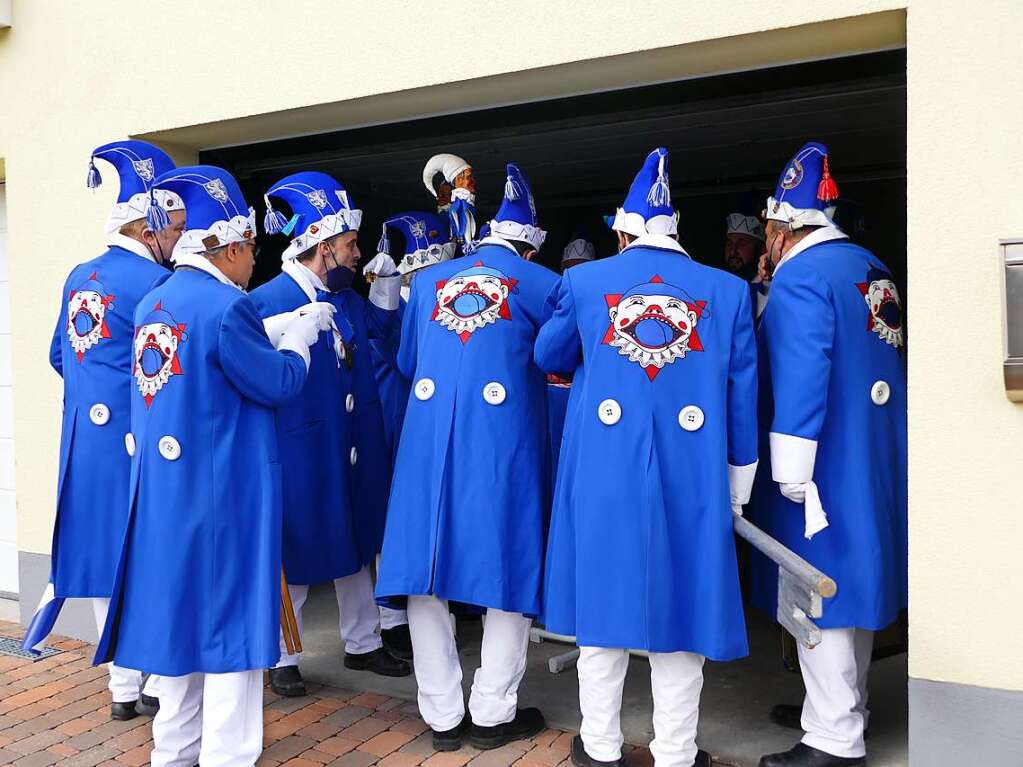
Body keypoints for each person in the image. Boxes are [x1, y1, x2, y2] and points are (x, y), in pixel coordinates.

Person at [94, 165, 326, 767]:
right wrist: (298, 345)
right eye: (251, 249)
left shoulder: (154, 301)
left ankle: (173, 750)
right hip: (227, 498)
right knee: (233, 637)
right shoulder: (228, 307)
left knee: (180, 628)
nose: (255, 262)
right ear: (230, 248)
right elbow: (274, 383)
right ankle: (229, 755)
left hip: (168, 496)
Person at [537, 148, 758, 767]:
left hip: (603, 470)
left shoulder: (583, 282)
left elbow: (549, 356)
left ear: (621, 230)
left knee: (602, 606)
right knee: (682, 607)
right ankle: (676, 752)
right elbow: (743, 397)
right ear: (677, 229)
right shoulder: (731, 291)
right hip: (696, 476)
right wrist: (739, 482)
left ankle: (601, 745)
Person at [376, 163, 557, 752]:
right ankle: (491, 713)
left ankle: (443, 718)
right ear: (529, 245)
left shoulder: (428, 283)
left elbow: (407, 364)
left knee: (425, 576)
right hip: (504, 448)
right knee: (509, 568)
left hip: (429, 447)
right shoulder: (542, 284)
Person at [750, 143, 907, 767]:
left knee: (817, 591)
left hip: (818, 462)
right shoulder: (868, 263)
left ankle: (834, 739)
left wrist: (789, 469)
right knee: (852, 587)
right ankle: (839, 710)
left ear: (782, 228)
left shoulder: (801, 276)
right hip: (869, 455)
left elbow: (801, 374)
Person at [34, 140, 185, 721]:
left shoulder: (80, 273)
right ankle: (150, 680)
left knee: (101, 551)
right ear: (147, 229)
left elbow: (58, 355)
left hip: (83, 439)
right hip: (137, 439)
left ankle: (122, 686)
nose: (177, 238)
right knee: (149, 552)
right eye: (172, 227)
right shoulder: (152, 283)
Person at [253, 171, 410, 695]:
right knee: (298, 551)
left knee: (356, 541)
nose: (356, 253)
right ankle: (280, 655)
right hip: (302, 446)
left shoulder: (345, 298)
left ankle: (363, 642)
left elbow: (382, 339)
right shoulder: (266, 299)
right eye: (349, 245)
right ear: (323, 248)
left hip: (351, 443)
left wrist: (386, 290)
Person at [423, 152, 477, 250]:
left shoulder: (460, 204)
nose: (442, 197)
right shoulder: (447, 212)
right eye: (441, 194)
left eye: (446, 194)